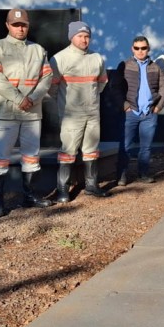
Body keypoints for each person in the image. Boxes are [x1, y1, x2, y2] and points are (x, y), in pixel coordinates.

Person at [0, 8, 53, 218]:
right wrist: (19, 98)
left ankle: (29, 197)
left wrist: (32, 98)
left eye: (23, 25)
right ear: (7, 25)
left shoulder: (38, 50)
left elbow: (47, 78)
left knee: (31, 156)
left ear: (28, 26)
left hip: (32, 112)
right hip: (5, 112)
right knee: (0, 158)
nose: (20, 28)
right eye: (15, 25)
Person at [49, 20, 110, 203]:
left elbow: (102, 83)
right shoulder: (59, 59)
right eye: (80, 36)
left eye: (87, 36)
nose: (84, 40)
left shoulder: (96, 58)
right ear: (71, 37)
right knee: (68, 151)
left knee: (91, 150)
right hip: (71, 114)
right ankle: (63, 190)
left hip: (92, 112)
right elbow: (52, 88)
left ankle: (91, 185)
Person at [114, 35, 164, 186]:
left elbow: (163, 87)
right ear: (132, 49)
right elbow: (115, 87)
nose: (140, 51)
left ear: (148, 49)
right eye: (137, 48)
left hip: (149, 113)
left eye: (143, 48)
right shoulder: (124, 65)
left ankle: (143, 174)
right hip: (130, 112)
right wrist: (124, 106)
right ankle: (122, 175)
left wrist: (158, 106)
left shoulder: (155, 67)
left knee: (146, 148)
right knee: (125, 146)